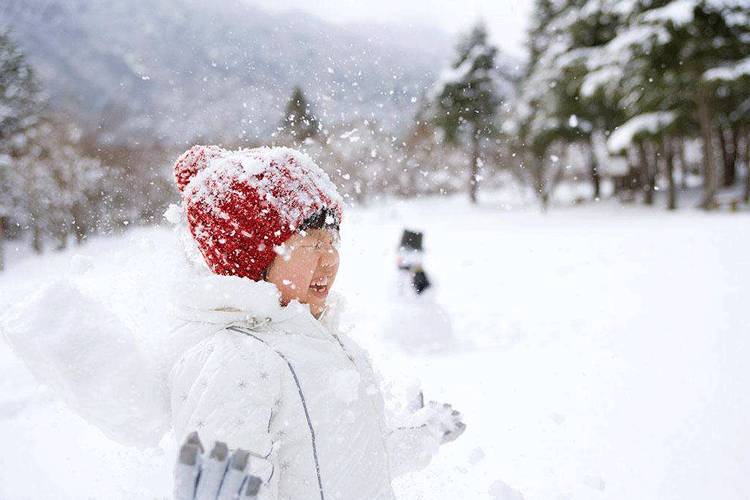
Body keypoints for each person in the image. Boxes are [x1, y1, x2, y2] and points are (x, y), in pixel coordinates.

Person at [167, 146, 465, 499]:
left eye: (332, 240)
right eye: (310, 244)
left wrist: (423, 434)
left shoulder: (330, 345)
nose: (330, 260)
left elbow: (354, 460)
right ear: (250, 260)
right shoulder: (237, 364)